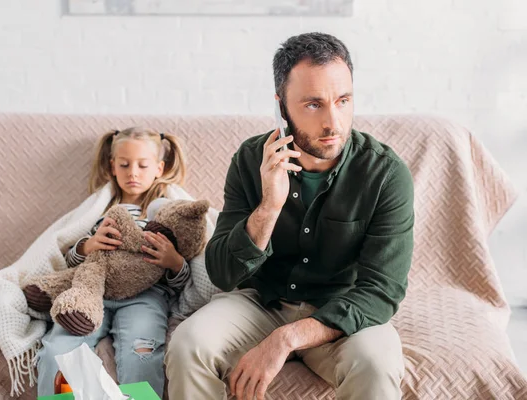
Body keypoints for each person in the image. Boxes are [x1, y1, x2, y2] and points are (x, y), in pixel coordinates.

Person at [165, 32, 414, 400]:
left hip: (341, 312)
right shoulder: (251, 160)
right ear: (282, 107)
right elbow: (222, 273)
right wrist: (269, 206)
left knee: (377, 366)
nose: (333, 122)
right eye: (314, 105)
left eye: (343, 100)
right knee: (188, 345)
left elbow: (381, 292)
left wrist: (287, 339)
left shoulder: (386, 174)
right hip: (262, 302)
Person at [37, 127, 190, 398]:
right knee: (58, 350)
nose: (133, 172)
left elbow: (188, 274)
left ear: (159, 168)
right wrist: (89, 245)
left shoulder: (168, 211)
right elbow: (71, 260)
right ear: (112, 167)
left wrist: (174, 261)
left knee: (141, 351)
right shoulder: (99, 210)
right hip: (94, 292)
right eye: (124, 164)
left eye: (143, 165)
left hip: (146, 296)